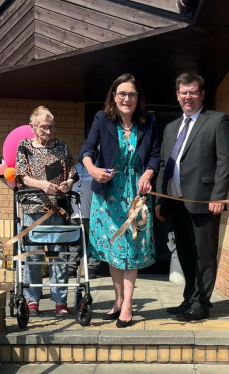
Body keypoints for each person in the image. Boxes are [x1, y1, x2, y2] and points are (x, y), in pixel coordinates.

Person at [80, 73, 160, 328]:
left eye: (132, 94)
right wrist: (91, 169)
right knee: (115, 249)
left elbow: (156, 155)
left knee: (132, 247)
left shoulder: (149, 121)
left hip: (136, 193)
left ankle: (127, 305)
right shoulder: (102, 119)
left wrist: (148, 173)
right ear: (114, 97)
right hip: (108, 193)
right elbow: (88, 149)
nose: (127, 98)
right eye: (122, 94)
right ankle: (117, 300)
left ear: (138, 98)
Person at [156, 72, 229, 322]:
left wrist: (219, 195)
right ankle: (190, 297)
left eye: (192, 92)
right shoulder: (170, 128)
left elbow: (224, 160)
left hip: (204, 200)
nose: (187, 97)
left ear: (202, 94)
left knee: (204, 253)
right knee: (186, 253)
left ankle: (202, 302)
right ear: (177, 95)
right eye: (183, 92)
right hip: (176, 201)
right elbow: (162, 165)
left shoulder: (217, 120)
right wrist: (161, 199)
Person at [15, 106, 78, 317]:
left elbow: (71, 170)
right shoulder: (24, 146)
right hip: (33, 205)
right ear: (32, 127)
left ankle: (60, 301)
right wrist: (42, 184)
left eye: (51, 127)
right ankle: (32, 301)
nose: (49, 132)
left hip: (58, 206)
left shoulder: (61, 146)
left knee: (58, 254)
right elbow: (21, 175)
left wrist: (68, 183)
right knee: (33, 255)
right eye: (44, 127)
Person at [69, 161, 100, 279]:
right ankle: (71, 268)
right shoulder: (75, 168)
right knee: (74, 243)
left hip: (92, 213)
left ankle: (91, 269)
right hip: (74, 213)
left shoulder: (96, 167)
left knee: (95, 243)